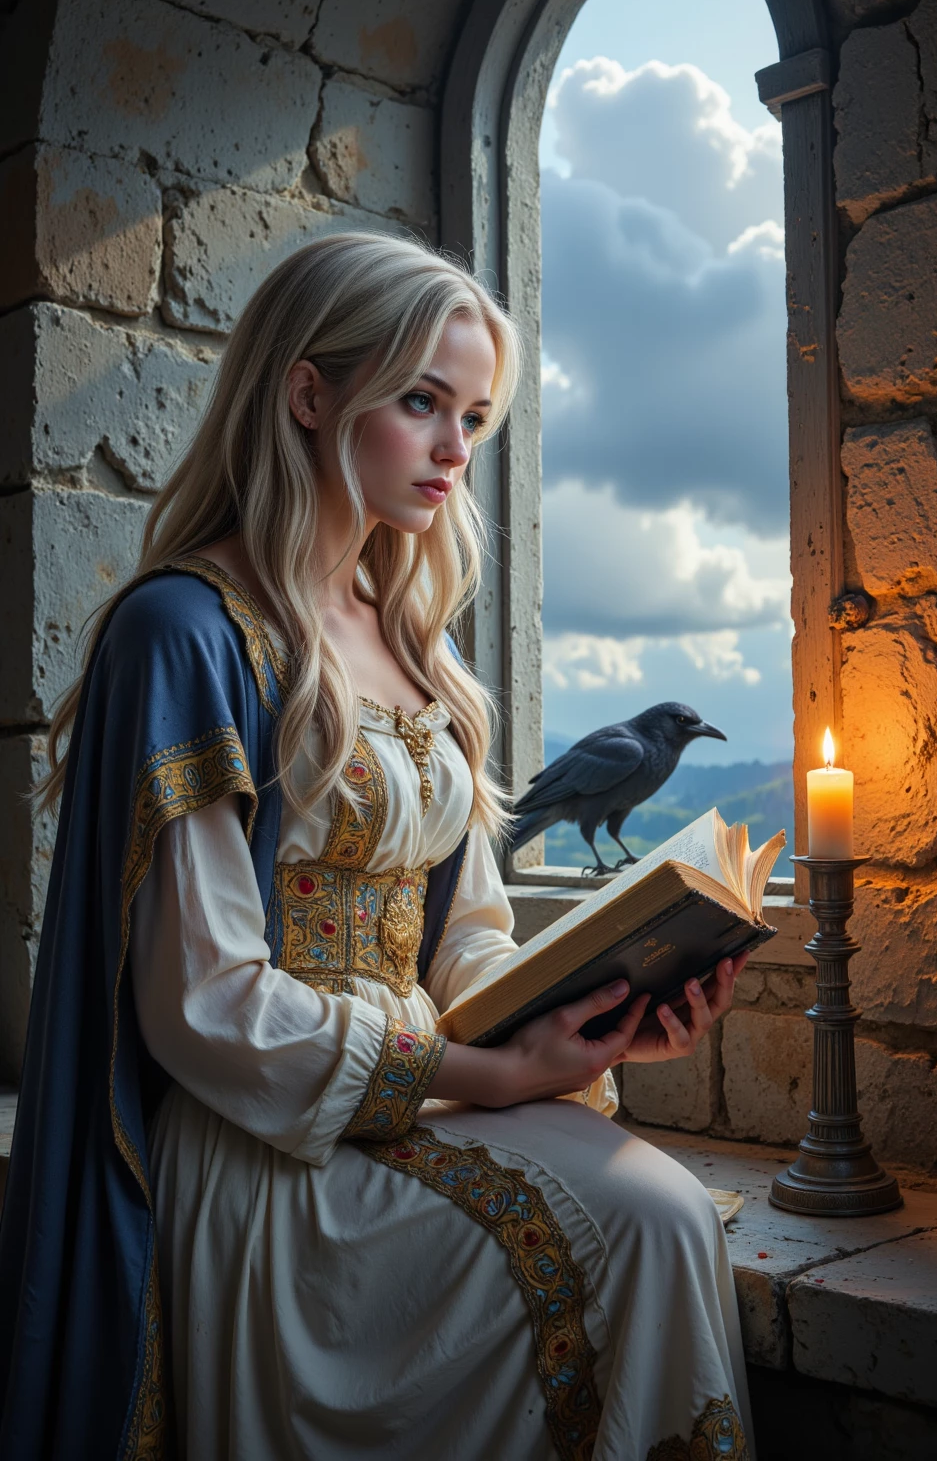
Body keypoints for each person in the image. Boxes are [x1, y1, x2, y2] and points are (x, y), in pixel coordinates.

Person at [0, 233, 754, 1461]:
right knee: (640, 1226)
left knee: (670, 1216)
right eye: (421, 402)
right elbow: (203, 1004)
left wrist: (593, 1020)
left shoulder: (422, 651)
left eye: (473, 414)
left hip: (424, 1095)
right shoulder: (182, 633)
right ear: (308, 394)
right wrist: (484, 1079)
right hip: (262, 1138)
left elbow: (464, 938)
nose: (458, 448)